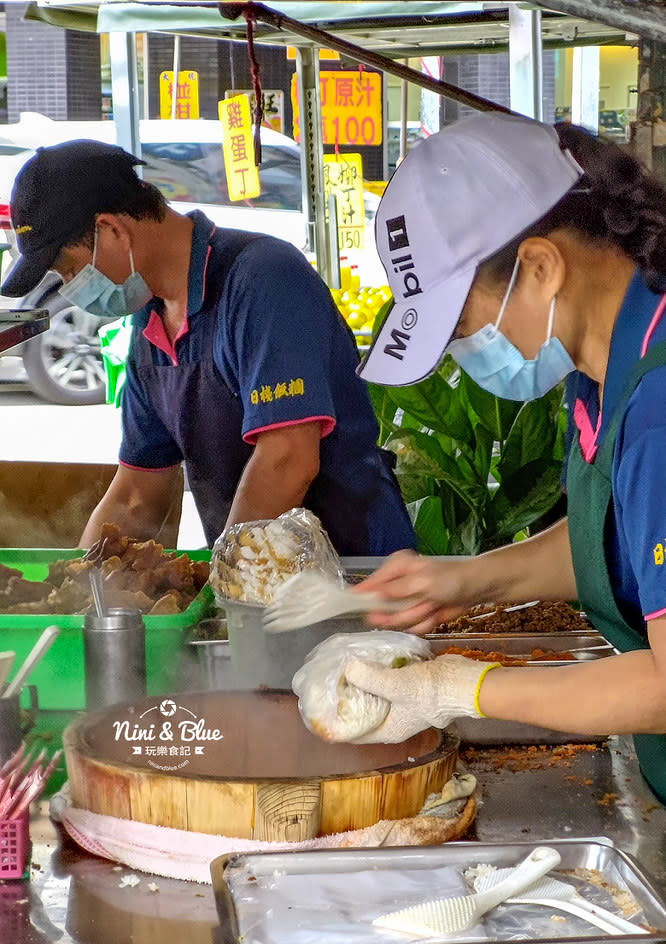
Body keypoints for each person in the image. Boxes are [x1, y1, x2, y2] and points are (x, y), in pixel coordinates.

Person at [339, 111, 666, 804]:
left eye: (462, 328)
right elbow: (613, 542)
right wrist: (467, 581)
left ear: (542, 267)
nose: (466, 354)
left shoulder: (659, 404)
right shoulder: (603, 360)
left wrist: (460, 688)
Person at [1, 139, 415, 557]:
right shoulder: (150, 322)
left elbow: (288, 458)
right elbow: (138, 495)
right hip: (254, 577)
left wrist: (224, 579)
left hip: (354, 572)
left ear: (112, 230)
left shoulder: (265, 279)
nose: (71, 289)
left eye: (70, 270)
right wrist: (79, 588)